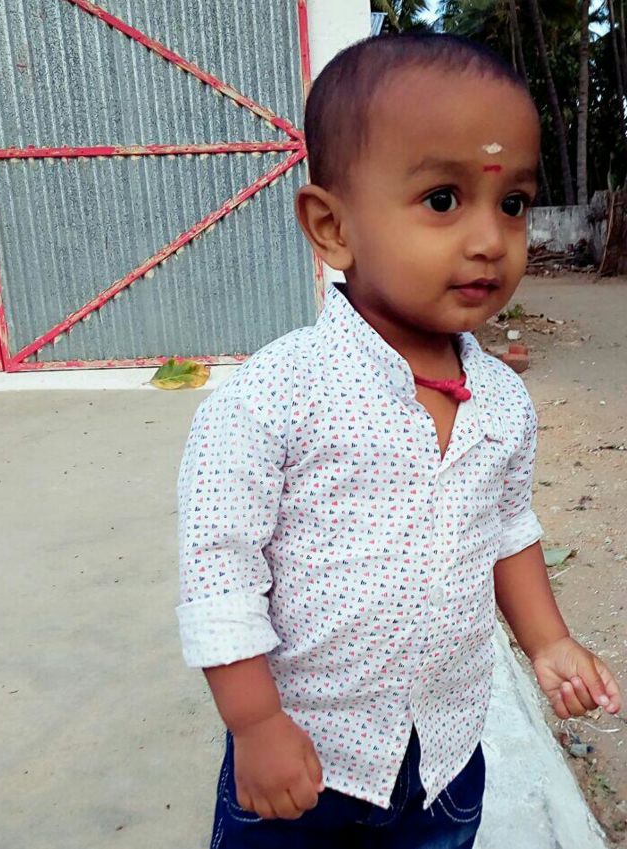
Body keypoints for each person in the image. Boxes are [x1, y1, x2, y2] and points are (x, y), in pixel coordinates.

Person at [176, 32, 622, 849]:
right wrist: (255, 722)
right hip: (305, 757)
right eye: (444, 200)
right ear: (331, 226)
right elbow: (219, 572)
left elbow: (507, 529)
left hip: (444, 761)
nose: (490, 239)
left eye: (513, 203)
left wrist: (549, 639)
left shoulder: (501, 399)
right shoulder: (273, 396)